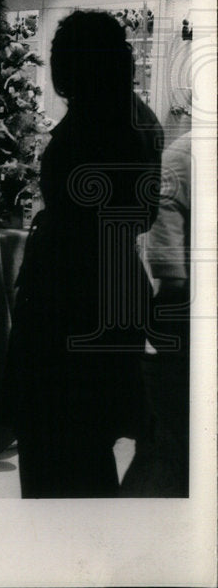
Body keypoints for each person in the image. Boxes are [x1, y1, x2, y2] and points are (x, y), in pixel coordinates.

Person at [2, 10, 163, 498]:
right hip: (110, 293)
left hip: (67, 302)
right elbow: (141, 215)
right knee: (88, 450)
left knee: (55, 452)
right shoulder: (135, 117)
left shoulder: (95, 123)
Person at [121, 129, 192, 496]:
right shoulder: (182, 158)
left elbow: (169, 271)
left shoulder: (181, 157)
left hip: (182, 325)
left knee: (166, 451)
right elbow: (169, 268)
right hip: (186, 325)